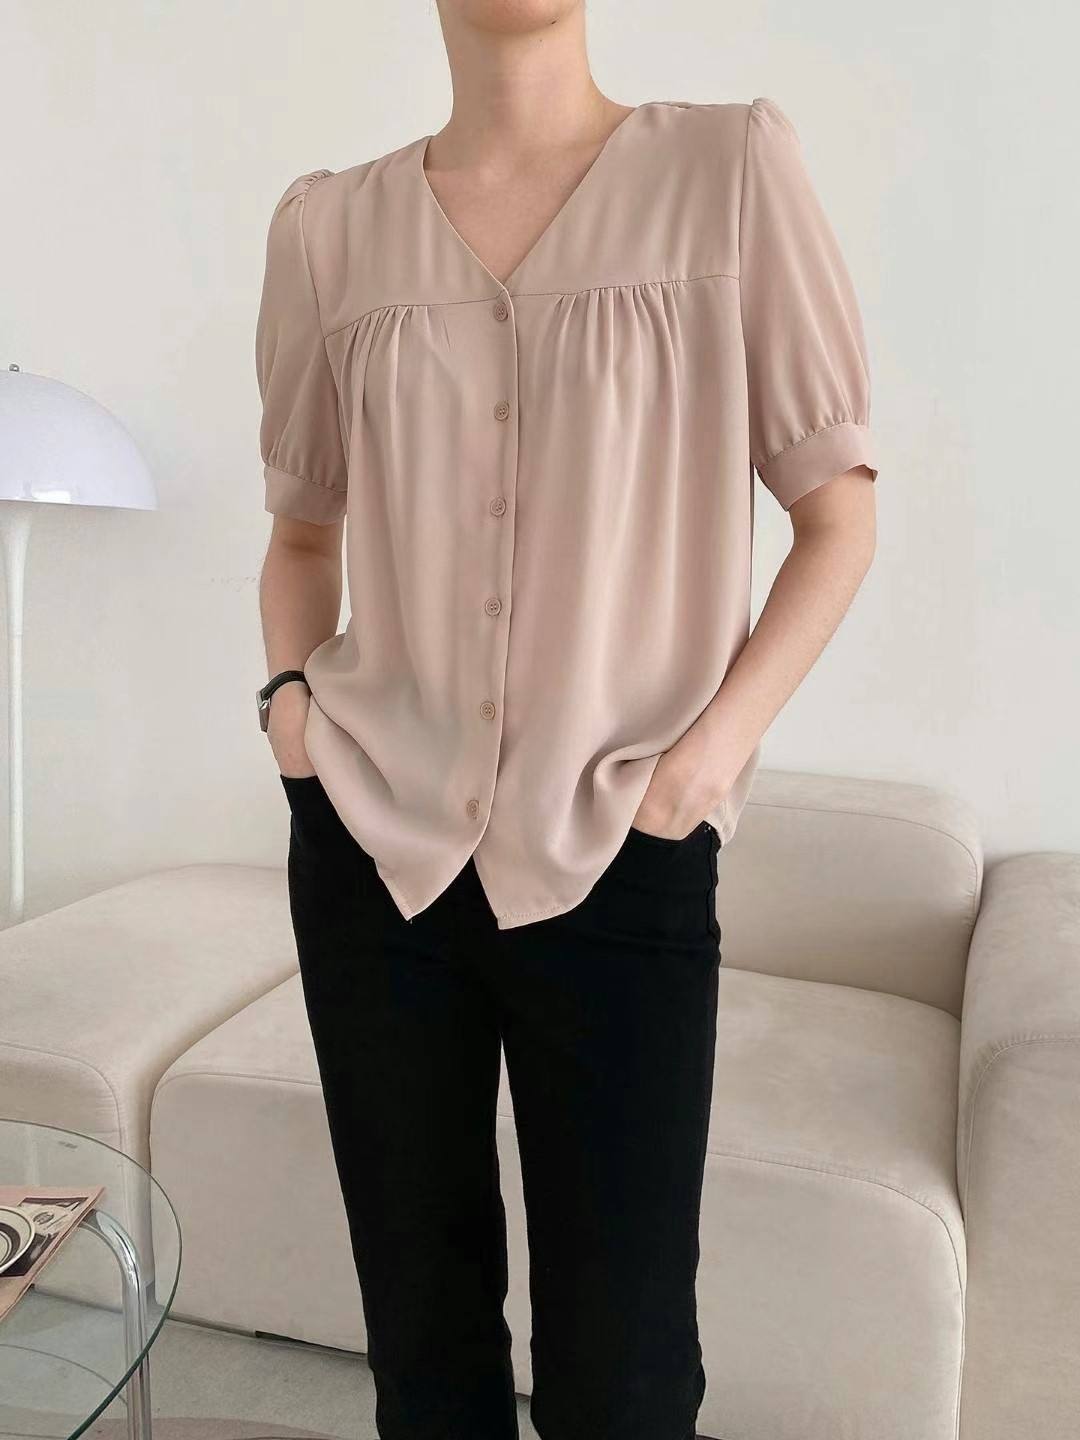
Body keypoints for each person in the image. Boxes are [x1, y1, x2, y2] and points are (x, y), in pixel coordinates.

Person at [254, 3, 878, 1437]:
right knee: (421, 1348)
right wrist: (292, 710)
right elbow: (299, 536)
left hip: (623, 849)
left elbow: (838, 519)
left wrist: (698, 769)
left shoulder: (728, 172)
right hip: (373, 850)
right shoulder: (327, 231)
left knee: (627, 1374)